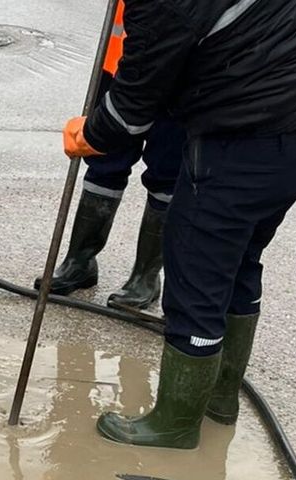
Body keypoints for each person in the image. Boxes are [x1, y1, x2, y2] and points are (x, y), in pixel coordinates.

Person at [63, 0, 296, 449]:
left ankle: (174, 423)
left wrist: (89, 133)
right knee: (241, 261)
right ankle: (221, 400)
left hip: (239, 147)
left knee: (196, 278)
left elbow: (133, 108)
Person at [35, 0, 185, 314]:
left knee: (167, 172)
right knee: (104, 156)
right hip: (123, 60)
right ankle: (80, 261)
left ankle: (145, 277)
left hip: (181, 71)